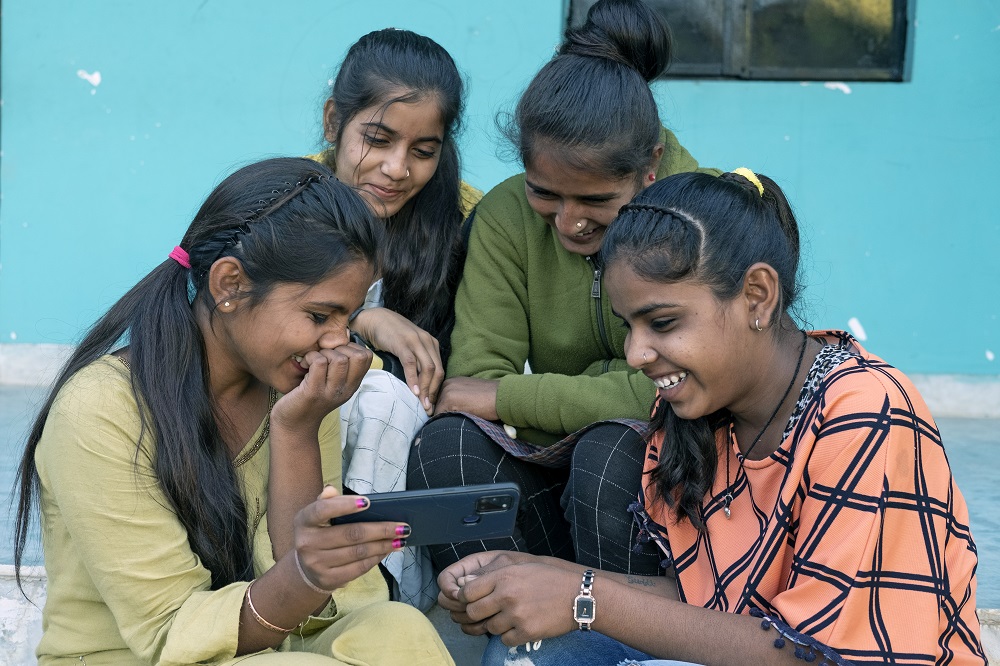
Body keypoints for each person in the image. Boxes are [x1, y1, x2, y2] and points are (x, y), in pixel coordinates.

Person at [435, 169, 986, 665]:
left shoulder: (865, 412)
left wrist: (584, 599)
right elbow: (710, 599)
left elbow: (813, 653)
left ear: (757, 296)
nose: (635, 354)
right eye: (629, 326)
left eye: (664, 322)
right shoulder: (704, 411)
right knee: (526, 653)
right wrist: (539, 578)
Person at [12, 157, 455, 665]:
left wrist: (296, 428)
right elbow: (168, 631)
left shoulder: (297, 387)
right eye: (318, 315)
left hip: (267, 645)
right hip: (134, 655)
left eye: (348, 317)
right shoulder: (98, 412)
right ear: (229, 285)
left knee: (396, 630)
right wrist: (305, 575)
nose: (339, 340)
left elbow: (310, 611)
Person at [407, 0, 718, 574]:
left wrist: (514, 399)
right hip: (555, 466)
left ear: (649, 167)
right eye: (544, 193)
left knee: (611, 452)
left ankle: (629, 645)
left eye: (597, 200)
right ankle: (525, 638)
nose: (569, 221)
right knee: (445, 450)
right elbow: (472, 384)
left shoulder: (698, 216)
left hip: (677, 472)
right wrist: (601, 389)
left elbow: (676, 393)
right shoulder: (503, 217)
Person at [308, 27, 482, 609]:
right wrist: (365, 318)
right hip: (302, 422)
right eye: (376, 140)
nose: (396, 168)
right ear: (334, 122)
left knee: (385, 397)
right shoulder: (287, 197)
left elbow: (482, 355)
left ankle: (376, 600)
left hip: (420, 442)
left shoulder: (467, 220)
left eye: (423, 151)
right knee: (374, 393)